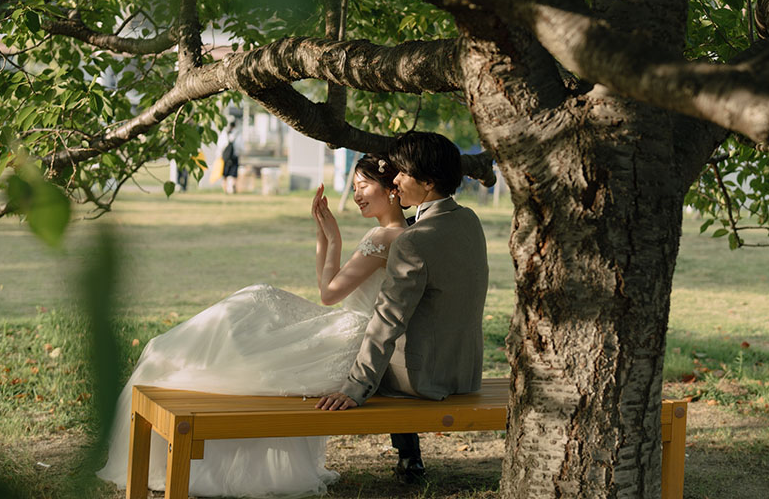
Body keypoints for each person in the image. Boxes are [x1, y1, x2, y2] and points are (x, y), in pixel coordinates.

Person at [96, 153, 408, 497]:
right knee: (255, 306)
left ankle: (182, 361)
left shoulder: (386, 237)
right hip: (347, 328)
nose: (357, 195)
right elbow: (327, 286)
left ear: (391, 190)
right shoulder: (387, 234)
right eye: (354, 187)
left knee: (256, 310)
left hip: (352, 341)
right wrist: (323, 234)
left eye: (363, 186)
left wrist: (333, 239)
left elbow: (329, 294)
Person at [316, 131, 489, 484]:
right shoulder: (469, 221)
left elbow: (388, 320)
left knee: (314, 363)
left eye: (403, 173)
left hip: (424, 378)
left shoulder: (412, 242)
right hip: (465, 371)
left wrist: (355, 388)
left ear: (427, 182)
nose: (395, 179)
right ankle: (409, 457)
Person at [215, 119, 242, 194]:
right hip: (234, 157)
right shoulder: (238, 134)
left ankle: (225, 189)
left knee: (224, 175)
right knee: (233, 174)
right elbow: (240, 147)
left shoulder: (224, 134)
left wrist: (219, 156)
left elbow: (220, 146)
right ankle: (233, 188)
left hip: (225, 158)